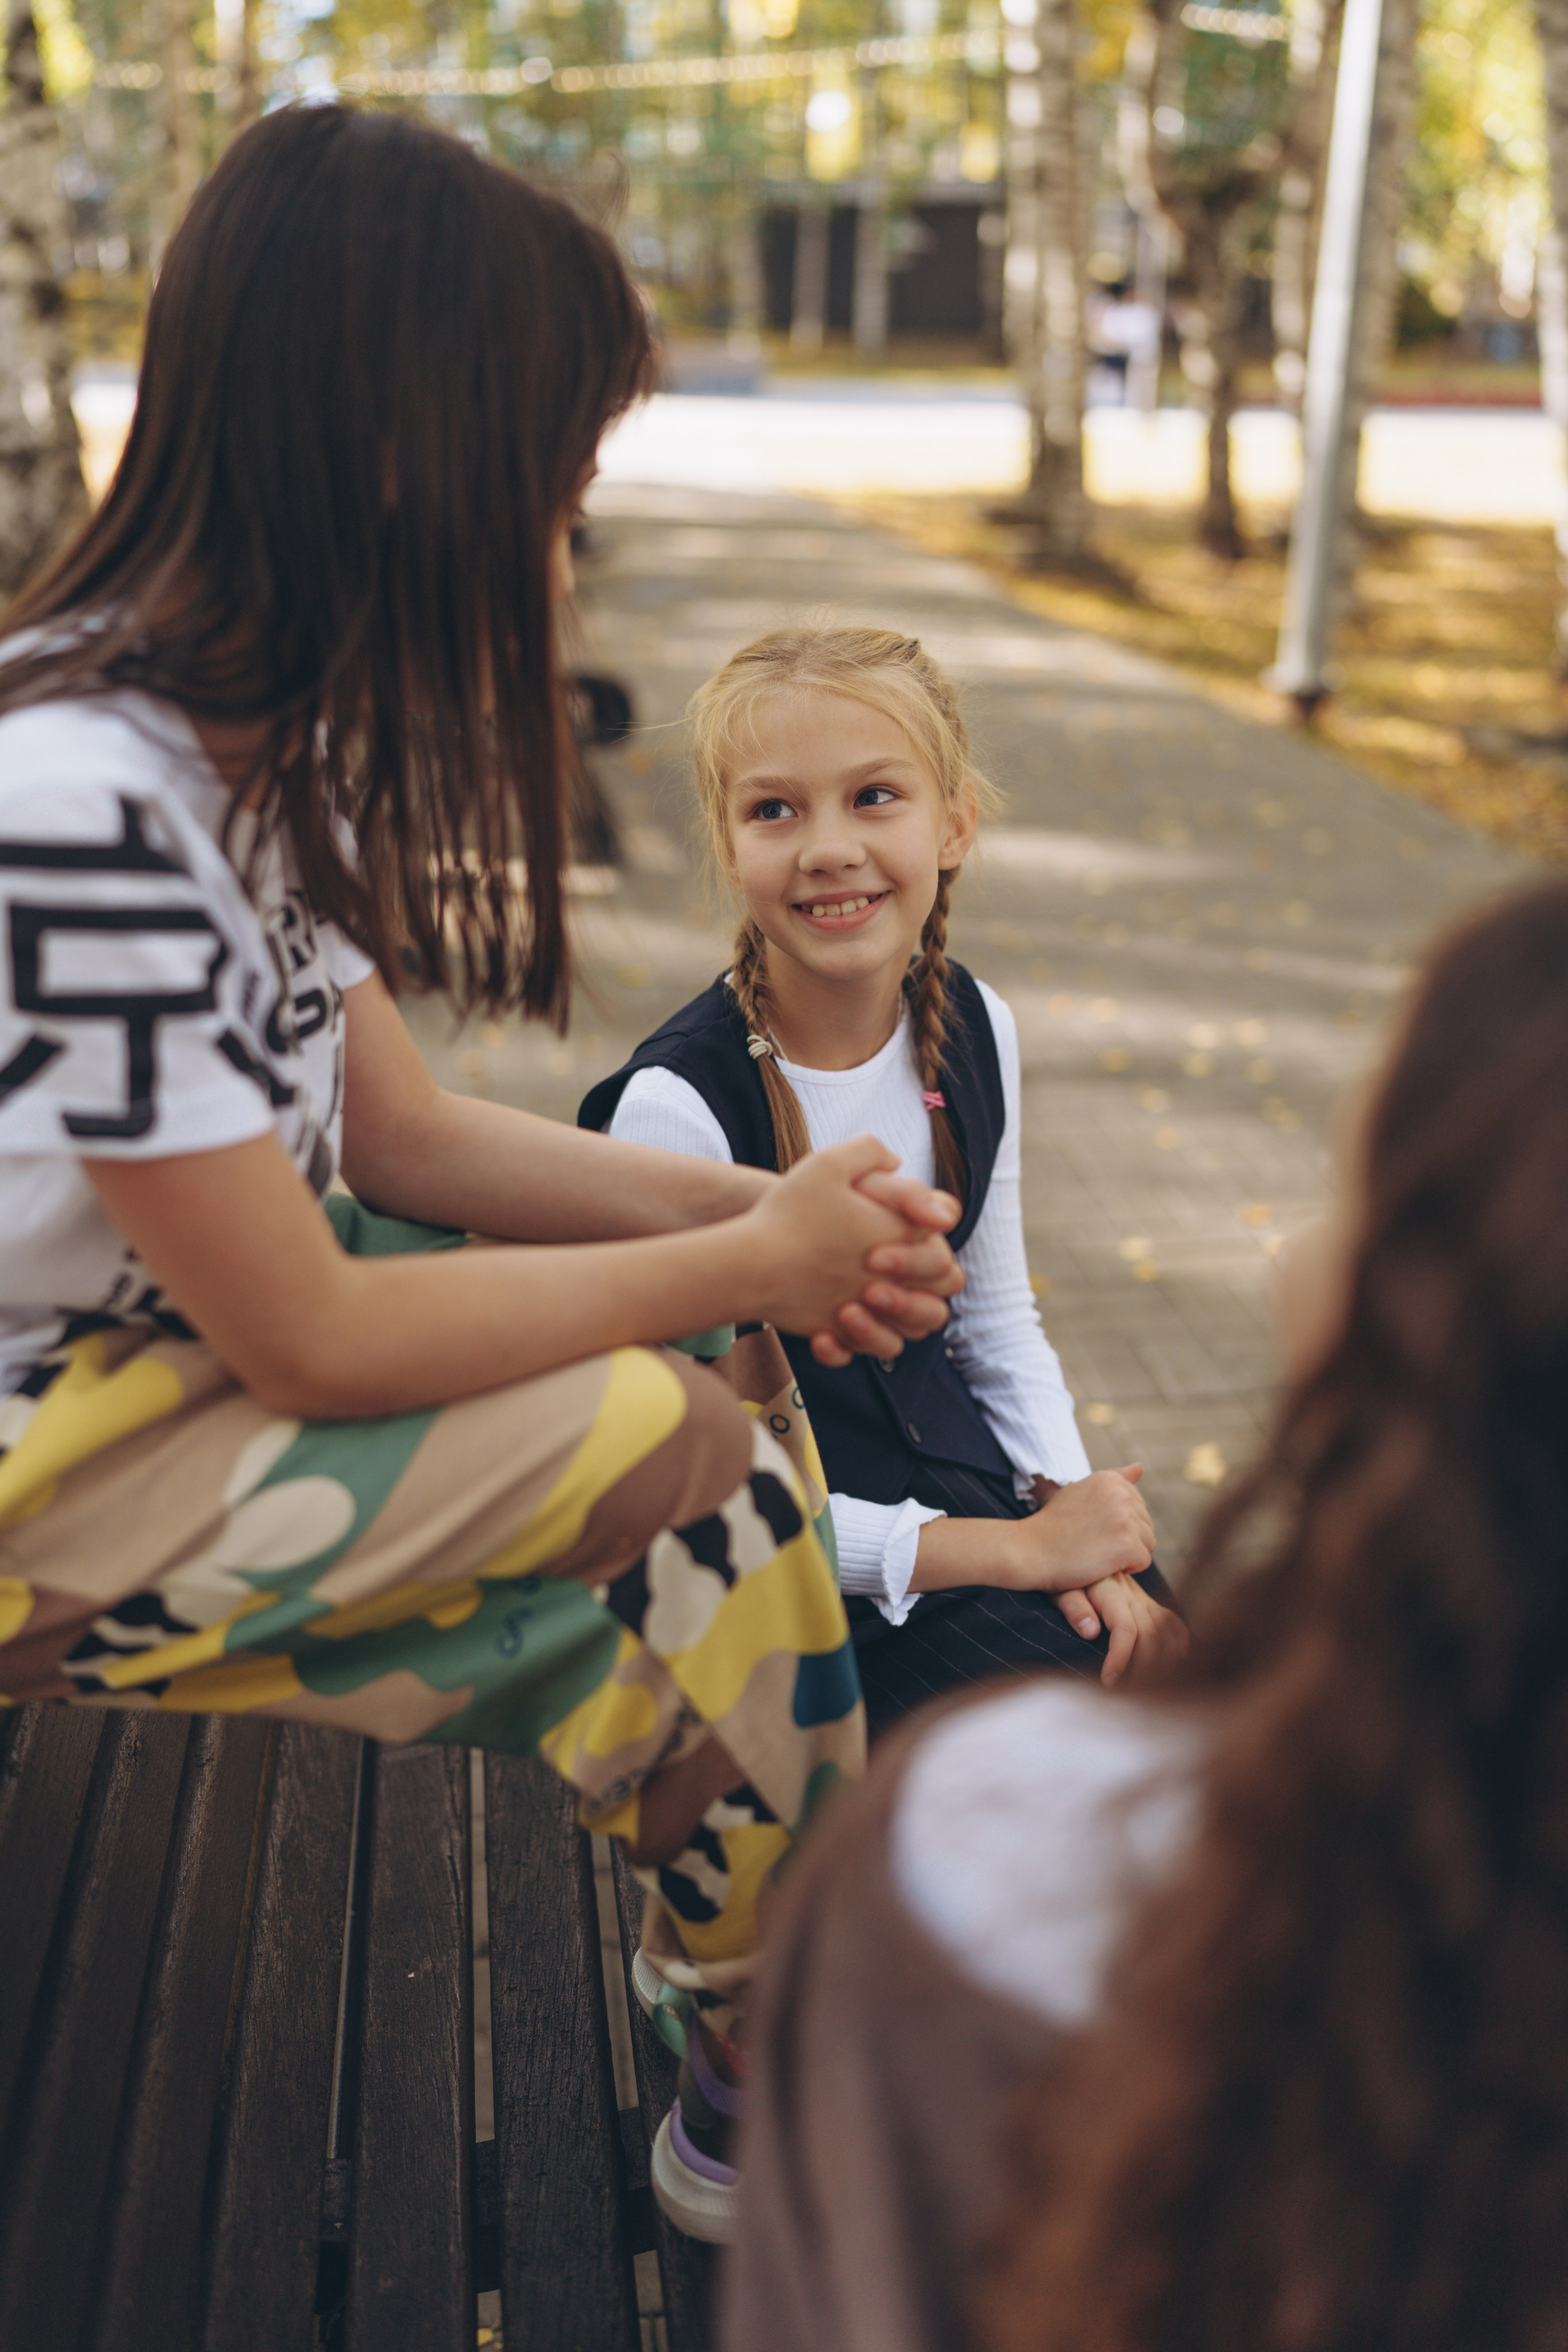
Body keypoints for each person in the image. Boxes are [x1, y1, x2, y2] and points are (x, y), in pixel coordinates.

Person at [0, 106, 967, 2243]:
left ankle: (745, 1904)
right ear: (399, 463)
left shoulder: (245, 748)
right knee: (684, 1462)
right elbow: (313, 1324)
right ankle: (764, 2054)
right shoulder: (80, 801)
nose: (567, 542)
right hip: (43, 1446)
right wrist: (747, 1265)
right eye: (559, 476)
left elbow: (406, 1140)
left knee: (702, 1393)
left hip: (147, 1360)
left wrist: (763, 1227)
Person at [723, 875, 1568, 2352]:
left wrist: (1040, 1541)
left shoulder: (991, 1845)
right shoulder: (684, 1096)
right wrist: (1052, 1544)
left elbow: (834, 2295)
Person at [581, 624, 1185, 1731]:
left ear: (954, 825)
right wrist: (1018, 1551)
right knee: (1113, 1760)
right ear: (727, 846)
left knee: (1206, 1703)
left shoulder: (974, 1029)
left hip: (978, 1516)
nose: (826, 847)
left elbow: (995, 1325)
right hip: (798, 1595)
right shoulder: (675, 1110)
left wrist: (1080, 1535)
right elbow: (695, 1497)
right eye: (774, 809)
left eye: (873, 797)